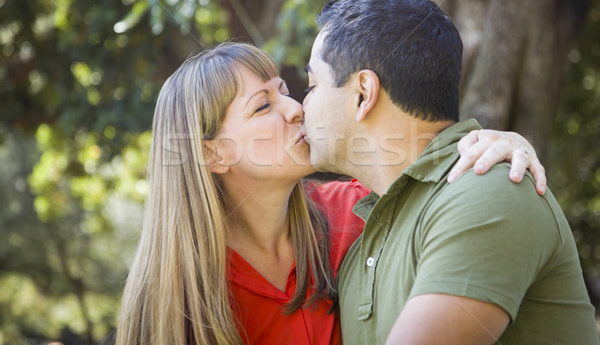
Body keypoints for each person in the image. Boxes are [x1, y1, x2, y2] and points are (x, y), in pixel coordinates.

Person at [116, 43, 546, 345]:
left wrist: (499, 143)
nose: (295, 108)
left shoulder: (360, 212)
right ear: (213, 154)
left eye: (284, 89)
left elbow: (439, 182)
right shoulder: (179, 295)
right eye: (263, 105)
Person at [302, 0, 599, 344]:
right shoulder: (361, 245)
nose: (299, 107)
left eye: (311, 85)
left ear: (363, 93)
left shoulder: (487, 192)